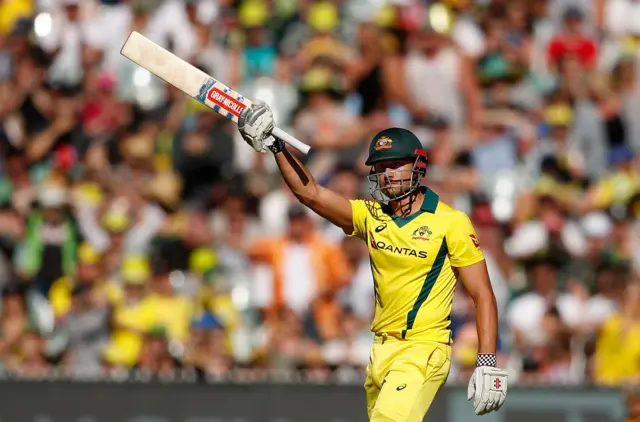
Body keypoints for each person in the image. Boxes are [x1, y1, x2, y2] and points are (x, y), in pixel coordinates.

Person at [237, 102, 507, 421]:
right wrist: (276, 145)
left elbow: (483, 294)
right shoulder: (372, 216)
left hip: (423, 349)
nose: (387, 174)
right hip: (379, 350)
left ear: (418, 167)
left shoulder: (452, 222)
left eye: (396, 165)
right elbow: (311, 194)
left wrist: (487, 361)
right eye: (381, 167)